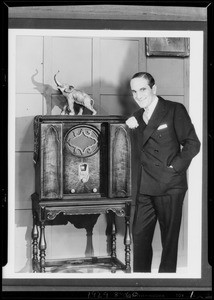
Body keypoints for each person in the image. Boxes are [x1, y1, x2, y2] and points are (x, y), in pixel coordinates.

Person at [126, 72, 201, 273]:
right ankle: (141, 283)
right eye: (134, 91)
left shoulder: (174, 110)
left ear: (154, 89)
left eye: (143, 89)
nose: (138, 95)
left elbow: (193, 144)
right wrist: (129, 126)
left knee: (169, 243)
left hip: (170, 186)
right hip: (145, 187)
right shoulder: (135, 116)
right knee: (139, 238)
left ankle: (166, 285)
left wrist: (173, 168)